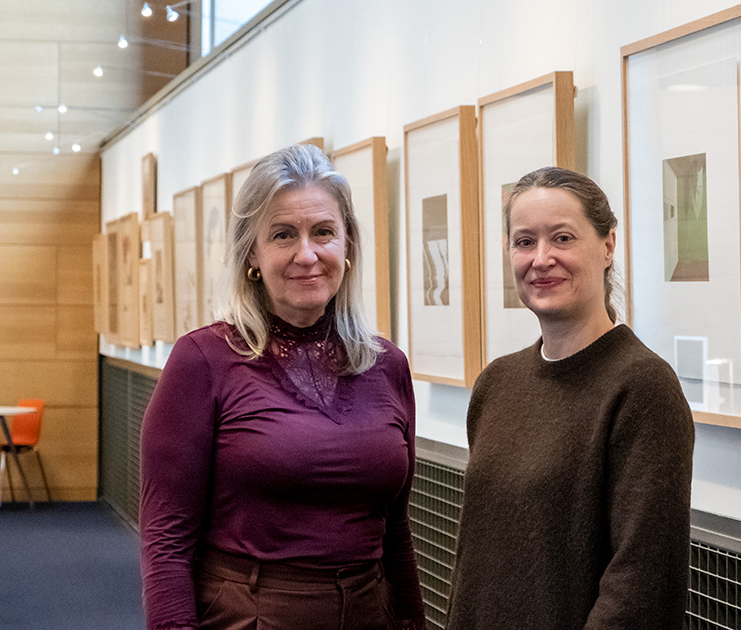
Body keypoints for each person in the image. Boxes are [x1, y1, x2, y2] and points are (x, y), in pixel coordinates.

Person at [139, 144, 425, 630]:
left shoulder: (387, 364)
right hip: (250, 616)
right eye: (283, 235)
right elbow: (166, 541)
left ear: (348, 244)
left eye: (324, 232)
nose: (306, 254)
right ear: (252, 251)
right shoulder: (203, 361)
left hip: (368, 612)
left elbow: (395, 532)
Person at [446, 167, 695, 630]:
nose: (541, 259)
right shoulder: (497, 383)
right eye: (524, 242)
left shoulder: (642, 388)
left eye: (562, 238)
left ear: (607, 246)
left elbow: (642, 583)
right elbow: (475, 565)